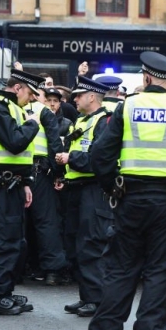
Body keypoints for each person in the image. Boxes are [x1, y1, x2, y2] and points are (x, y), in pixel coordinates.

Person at [88, 51, 166, 330]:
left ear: (146, 77)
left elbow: (101, 154)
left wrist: (111, 187)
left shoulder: (127, 107)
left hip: (129, 197)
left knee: (121, 267)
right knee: (162, 270)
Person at [0, 69, 43, 315]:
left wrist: (25, 182)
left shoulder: (15, 108)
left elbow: (18, 156)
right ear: (18, 88)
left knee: (14, 243)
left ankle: (4, 291)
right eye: (31, 93)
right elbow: (14, 143)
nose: (33, 98)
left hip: (13, 184)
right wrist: (33, 124)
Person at [55, 77, 113, 317]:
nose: (73, 99)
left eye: (78, 95)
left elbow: (101, 160)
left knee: (92, 244)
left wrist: (71, 158)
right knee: (77, 244)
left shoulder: (105, 121)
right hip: (76, 188)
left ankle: (97, 300)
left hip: (94, 189)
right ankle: (87, 296)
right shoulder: (81, 121)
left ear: (91, 96)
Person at [23, 80, 67, 286]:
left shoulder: (13, 109)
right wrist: (58, 174)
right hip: (39, 172)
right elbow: (54, 143)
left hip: (15, 172)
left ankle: (18, 269)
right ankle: (52, 271)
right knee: (46, 222)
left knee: (16, 222)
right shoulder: (43, 112)